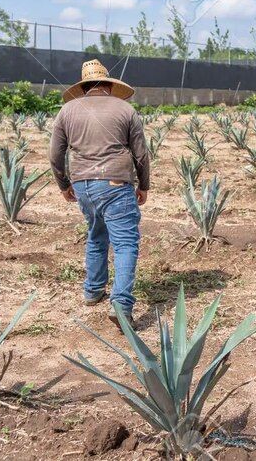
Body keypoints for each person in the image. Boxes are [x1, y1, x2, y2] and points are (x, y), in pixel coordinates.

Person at [49, 59, 150, 330]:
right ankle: (121, 303)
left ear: (84, 88)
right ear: (107, 84)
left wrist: (64, 184)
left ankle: (93, 291)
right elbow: (140, 153)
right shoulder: (125, 109)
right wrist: (144, 185)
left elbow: (55, 154)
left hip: (83, 184)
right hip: (117, 183)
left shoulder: (67, 110)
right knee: (126, 243)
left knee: (96, 235)